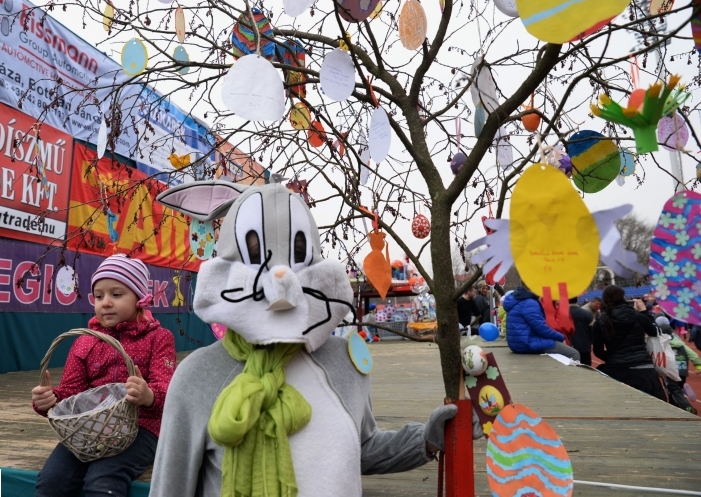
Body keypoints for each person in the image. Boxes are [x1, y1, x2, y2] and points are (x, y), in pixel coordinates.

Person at [150, 180, 483, 497]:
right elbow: (170, 486)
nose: (280, 279)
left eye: (297, 251)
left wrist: (427, 439)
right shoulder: (199, 375)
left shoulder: (344, 362)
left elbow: (361, 449)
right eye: (254, 252)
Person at [31, 255, 176, 497]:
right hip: (89, 431)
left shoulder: (158, 338)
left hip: (142, 428)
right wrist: (51, 400)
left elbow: (168, 389)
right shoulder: (84, 341)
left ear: (140, 298)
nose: (105, 303)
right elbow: (71, 393)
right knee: (52, 480)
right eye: (99, 296)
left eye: (116, 295)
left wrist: (148, 395)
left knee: (102, 480)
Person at [592, 285, 665, 401]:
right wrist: (645, 312)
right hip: (644, 370)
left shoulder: (600, 322)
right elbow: (655, 332)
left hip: (616, 371)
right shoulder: (639, 316)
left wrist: (614, 358)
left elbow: (598, 351)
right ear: (623, 298)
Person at [503, 283, 580, 360]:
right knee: (574, 353)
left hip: (517, 343)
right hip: (527, 344)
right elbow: (541, 328)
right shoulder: (529, 302)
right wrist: (561, 337)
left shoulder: (518, 299)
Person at [568, 297, 593, 366]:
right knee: (586, 368)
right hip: (584, 346)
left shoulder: (561, 313)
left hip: (568, 347)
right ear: (577, 300)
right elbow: (592, 330)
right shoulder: (586, 313)